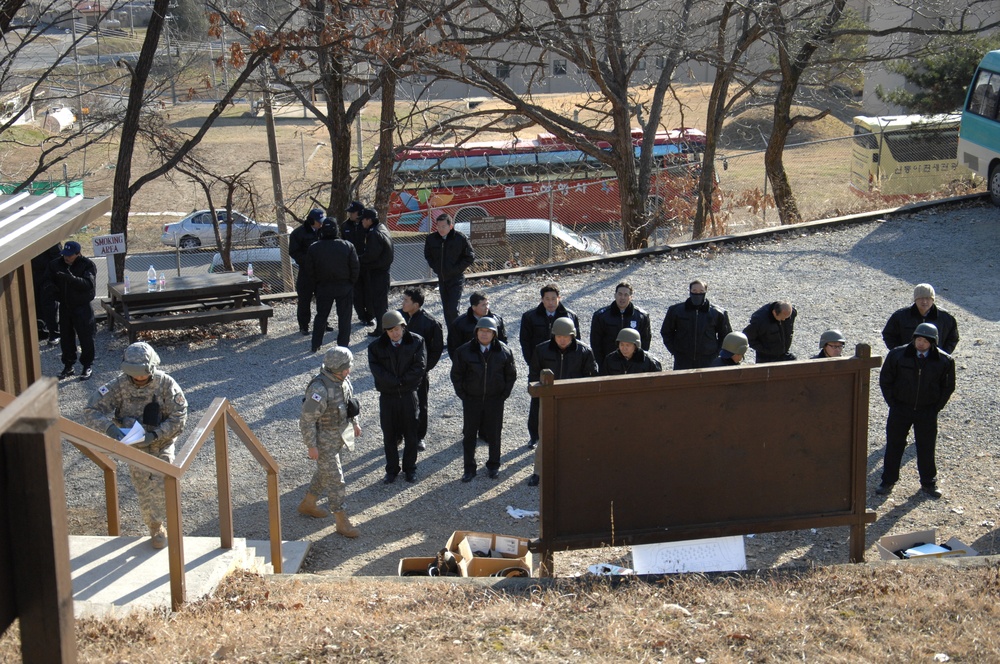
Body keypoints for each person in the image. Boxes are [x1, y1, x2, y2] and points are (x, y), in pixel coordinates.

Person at [84, 342, 188, 549]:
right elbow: (91, 410)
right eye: (134, 374)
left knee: (162, 483)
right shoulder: (118, 385)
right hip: (134, 445)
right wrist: (110, 430)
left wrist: (156, 435)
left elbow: (179, 416)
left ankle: (160, 525)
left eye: (142, 373)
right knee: (142, 487)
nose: (138, 378)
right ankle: (153, 525)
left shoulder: (166, 383)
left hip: (161, 442)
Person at [875, 323, 956, 499]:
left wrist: (935, 408)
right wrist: (893, 403)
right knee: (894, 445)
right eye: (918, 339)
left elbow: (948, 387)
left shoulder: (944, 361)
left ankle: (928, 483)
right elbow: (886, 380)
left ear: (933, 342)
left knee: (926, 447)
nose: (921, 344)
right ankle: (888, 481)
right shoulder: (897, 355)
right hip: (900, 409)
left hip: (926, 411)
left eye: (925, 341)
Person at [297, 346, 362, 538]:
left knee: (324, 473)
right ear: (336, 368)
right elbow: (306, 420)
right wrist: (311, 445)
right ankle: (342, 522)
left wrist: (355, 423)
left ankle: (308, 504)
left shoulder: (343, 380)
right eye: (345, 367)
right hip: (324, 441)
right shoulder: (320, 389)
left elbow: (350, 404)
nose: (348, 371)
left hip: (339, 437)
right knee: (336, 480)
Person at [526, 317, 598, 487]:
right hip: (548, 401)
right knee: (545, 438)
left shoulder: (584, 351)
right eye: (559, 336)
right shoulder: (541, 350)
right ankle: (539, 472)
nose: (562, 339)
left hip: (574, 403)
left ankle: (574, 470)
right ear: (554, 336)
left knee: (574, 438)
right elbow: (533, 375)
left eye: (566, 336)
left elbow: (592, 377)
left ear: (573, 336)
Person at [450, 317, 516, 482]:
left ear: (494, 334)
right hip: (472, 399)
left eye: (488, 331)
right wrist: (463, 395)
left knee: (494, 434)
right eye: (481, 331)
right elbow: (456, 375)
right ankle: (469, 468)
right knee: (470, 435)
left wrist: (503, 395)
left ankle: (493, 465)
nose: (484, 334)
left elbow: (511, 375)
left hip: (495, 400)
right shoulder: (464, 352)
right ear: (476, 332)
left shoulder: (504, 352)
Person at [519, 283, 581, 448]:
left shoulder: (570, 316)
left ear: (559, 298)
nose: (551, 302)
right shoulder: (530, 317)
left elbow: (577, 342)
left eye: (554, 298)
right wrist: (532, 363)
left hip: (564, 363)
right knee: (537, 402)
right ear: (542, 299)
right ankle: (535, 435)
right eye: (547, 299)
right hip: (541, 364)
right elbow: (525, 342)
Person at [368, 311, 426, 484]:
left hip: (408, 395)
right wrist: (395, 382)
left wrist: (402, 382)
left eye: (398, 329)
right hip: (388, 396)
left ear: (403, 327)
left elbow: (420, 366)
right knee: (389, 435)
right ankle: (392, 469)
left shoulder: (416, 341)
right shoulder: (376, 347)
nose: (395, 333)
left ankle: (410, 468)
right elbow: (376, 370)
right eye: (390, 330)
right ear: (385, 331)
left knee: (411, 433)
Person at [302, 220, 360, 353]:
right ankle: (343, 346)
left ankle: (315, 344)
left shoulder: (314, 247)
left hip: (323, 286)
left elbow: (309, 269)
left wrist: (317, 283)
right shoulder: (347, 246)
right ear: (337, 231)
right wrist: (351, 282)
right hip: (344, 286)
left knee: (321, 316)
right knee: (345, 317)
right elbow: (355, 267)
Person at [44, 240, 98, 380]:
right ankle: (68, 366)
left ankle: (87, 366)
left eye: (70, 255)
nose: (66, 258)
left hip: (82, 307)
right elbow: (47, 281)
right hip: (65, 306)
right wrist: (53, 291)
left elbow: (88, 284)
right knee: (66, 338)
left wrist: (71, 279)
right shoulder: (56, 264)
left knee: (86, 337)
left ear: (77, 254)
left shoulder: (87, 265)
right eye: (64, 255)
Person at [400, 288, 444, 451]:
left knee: (420, 404)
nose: (402, 303)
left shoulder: (430, 323)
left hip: (419, 372)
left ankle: (419, 436)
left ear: (416, 304)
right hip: (400, 371)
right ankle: (400, 434)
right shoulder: (399, 317)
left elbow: (436, 349)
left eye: (406, 300)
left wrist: (424, 368)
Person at [660, 279, 732, 369]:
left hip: (709, 359)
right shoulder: (676, 311)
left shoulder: (718, 313)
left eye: (701, 291)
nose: (697, 294)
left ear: (706, 292)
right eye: (694, 291)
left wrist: (717, 353)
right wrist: (675, 351)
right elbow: (666, 332)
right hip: (683, 359)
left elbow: (726, 336)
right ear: (690, 291)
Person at [424, 212, 475, 329]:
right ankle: (452, 337)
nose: (440, 229)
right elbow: (428, 255)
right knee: (447, 310)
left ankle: (457, 337)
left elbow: (470, 256)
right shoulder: (432, 239)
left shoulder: (460, 238)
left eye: (443, 226)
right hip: (442, 278)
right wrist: (436, 268)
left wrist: (456, 269)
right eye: (438, 226)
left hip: (456, 278)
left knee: (453, 309)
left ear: (450, 226)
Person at [590, 282, 652, 372]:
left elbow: (645, 341)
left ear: (631, 297)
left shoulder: (641, 316)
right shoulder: (601, 316)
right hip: (610, 364)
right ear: (615, 295)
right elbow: (595, 342)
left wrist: (639, 361)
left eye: (626, 295)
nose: (622, 297)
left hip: (634, 365)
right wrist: (602, 363)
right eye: (620, 294)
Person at [882, 283, 959, 355]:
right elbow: (888, 335)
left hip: (934, 362)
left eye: (928, 298)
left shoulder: (946, 318)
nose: (924, 301)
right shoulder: (900, 316)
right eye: (921, 298)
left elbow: (953, 338)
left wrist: (942, 355)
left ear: (933, 300)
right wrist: (900, 353)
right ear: (915, 299)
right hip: (907, 360)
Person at [289, 208, 325, 336]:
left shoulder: (323, 231)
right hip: (306, 272)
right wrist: (308, 261)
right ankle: (304, 326)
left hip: (321, 272)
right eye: (318, 221)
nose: (321, 224)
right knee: (304, 300)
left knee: (323, 299)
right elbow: (293, 252)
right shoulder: (298, 233)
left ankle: (323, 323)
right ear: (311, 220)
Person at [359, 208, 394, 337]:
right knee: (381, 302)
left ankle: (382, 330)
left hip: (378, 272)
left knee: (379, 304)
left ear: (369, 220)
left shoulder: (374, 234)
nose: (361, 221)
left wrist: (358, 259)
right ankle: (383, 328)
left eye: (363, 219)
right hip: (383, 271)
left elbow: (371, 255)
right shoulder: (381, 228)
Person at [448, 291, 509, 355]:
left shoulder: (497, 320)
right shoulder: (459, 324)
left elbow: (503, 343)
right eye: (483, 305)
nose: (487, 307)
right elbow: (454, 348)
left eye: (487, 304)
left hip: (493, 361)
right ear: (474, 307)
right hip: (469, 362)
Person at [341, 201, 371, 326]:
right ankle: (361, 316)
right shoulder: (344, 226)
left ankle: (370, 315)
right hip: (352, 265)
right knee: (356, 293)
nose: (350, 214)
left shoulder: (366, 225)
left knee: (369, 291)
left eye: (352, 212)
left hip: (367, 264)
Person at [31, 243, 62, 346]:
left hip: (47, 275)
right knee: (35, 304)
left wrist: (53, 275)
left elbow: (57, 256)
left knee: (49, 305)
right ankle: (41, 330)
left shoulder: (48, 236)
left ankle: (54, 333)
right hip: (32, 274)